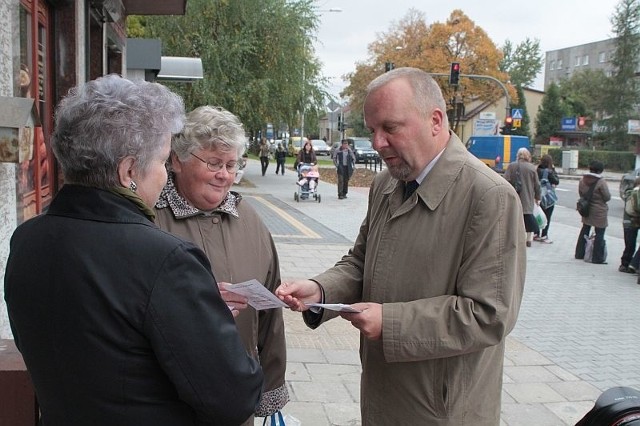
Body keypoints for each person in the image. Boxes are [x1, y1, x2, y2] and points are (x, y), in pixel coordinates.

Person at [3, 75, 264, 425]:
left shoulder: (27, 239)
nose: (162, 175)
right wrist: (208, 320)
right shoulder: (165, 260)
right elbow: (234, 396)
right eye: (161, 162)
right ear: (128, 171)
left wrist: (191, 309)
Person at [276, 67, 525, 425]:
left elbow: (489, 314)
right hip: (383, 394)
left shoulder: (489, 196)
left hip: (443, 411)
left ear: (435, 121)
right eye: (372, 130)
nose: (377, 143)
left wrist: (390, 323)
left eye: (390, 128)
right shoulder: (386, 185)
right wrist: (320, 291)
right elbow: (362, 261)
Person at [154, 105, 289, 425]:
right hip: (165, 402)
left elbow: (270, 315)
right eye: (214, 162)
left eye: (231, 164)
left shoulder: (250, 220)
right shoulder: (150, 218)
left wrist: (271, 387)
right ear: (177, 160)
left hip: (234, 401)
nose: (224, 174)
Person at [575, 160, 610, 264]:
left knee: (584, 230)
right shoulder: (601, 182)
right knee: (600, 233)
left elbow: (581, 194)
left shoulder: (583, 180)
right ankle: (597, 257)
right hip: (599, 211)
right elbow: (607, 197)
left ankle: (579, 253)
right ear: (600, 170)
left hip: (586, 209)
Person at [504, 147, 541, 247]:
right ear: (527, 156)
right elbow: (537, 185)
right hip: (527, 197)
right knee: (528, 216)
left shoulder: (511, 166)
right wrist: (538, 197)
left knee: (516, 217)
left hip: (514, 196)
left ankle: (517, 238)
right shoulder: (531, 168)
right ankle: (528, 239)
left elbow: (505, 181)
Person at [534, 153, 559, 243]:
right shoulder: (549, 171)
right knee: (547, 216)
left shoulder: (537, 170)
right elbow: (556, 181)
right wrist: (553, 169)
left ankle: (536, 233)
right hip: (548, 198)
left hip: (538, 195)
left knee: (537, 215)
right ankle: (544, 235)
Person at [619, 177, 640, 273]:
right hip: (634, 221)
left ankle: (626, 264)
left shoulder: (629, 193)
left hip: (627, 222)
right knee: (631, 245)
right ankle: (630, 264)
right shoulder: (636, 194)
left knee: (629, 245)